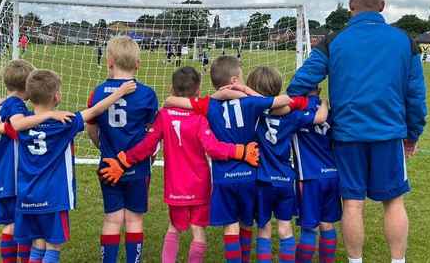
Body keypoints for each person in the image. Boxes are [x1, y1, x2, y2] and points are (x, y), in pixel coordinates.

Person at [286, 0, 427, 263]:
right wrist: (412, 134)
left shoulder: (334, 40)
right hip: (389, 134)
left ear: (351, 7)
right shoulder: (404, 41)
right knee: (394, 201)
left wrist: (317, 106)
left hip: (347, 135)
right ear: (383, 7)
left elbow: (298, 84)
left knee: (352, 203)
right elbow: (416, 96)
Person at [100, 66, 260, 263]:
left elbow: (147, 146)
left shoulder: (164, 117)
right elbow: (214, 148)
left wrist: (124, 160)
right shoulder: (201, 118)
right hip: (199, 186)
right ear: (198, 91)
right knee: (198, 232)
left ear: (171, 89)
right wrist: (241, 151)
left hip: (175, 186)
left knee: (173, 228)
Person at [164, 56, 292, 263]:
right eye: (241, 78)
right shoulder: (250, 102)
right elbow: (285, 101)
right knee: (246, 224)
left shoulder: (208, 104)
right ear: (234, 80)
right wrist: (248, 92)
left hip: (224, 178)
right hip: (250, 174)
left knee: (230, 226)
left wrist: (217, 95)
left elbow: (169, 101)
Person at [12, 69, 136, 263]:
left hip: (27, 194)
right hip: (53, 197)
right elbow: (94, 111)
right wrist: (119, 92)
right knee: (53, 246)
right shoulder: (64, 123)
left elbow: (14, 124)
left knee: (37, 244)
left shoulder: (23, 122)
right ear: (56, 96)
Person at [0, 59, 78, 263]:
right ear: (27, 86)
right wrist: (50, 115)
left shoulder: (2, 109)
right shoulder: (18, 109)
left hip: (0, 175)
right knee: (22, 228)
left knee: (12, 225)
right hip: (17, 178)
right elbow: (16, 127)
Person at [245, 66, 329, 263]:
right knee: (285, 228)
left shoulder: (253, 114)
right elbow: (320, 118)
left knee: (264, 230)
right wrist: (324, 103)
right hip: (285, 180)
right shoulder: (292, 115)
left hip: (263, 179)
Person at [86, 36, 158, 263]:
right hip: (137, 166)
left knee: (112, 219)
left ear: (109, 61)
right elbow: (152, 131)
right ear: (138, 64)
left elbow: (91, 126)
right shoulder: (147, 94)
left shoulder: (98, 92)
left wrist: (101, 145)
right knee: (134, 219)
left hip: (108, 164)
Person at [292, 88, 341, 263]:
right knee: (327, 224)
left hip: (309, 177)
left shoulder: (295, 110)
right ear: (319, 89)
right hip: (332, 175)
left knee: (309, 228)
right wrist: (326, 103)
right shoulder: (329, 111)